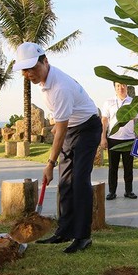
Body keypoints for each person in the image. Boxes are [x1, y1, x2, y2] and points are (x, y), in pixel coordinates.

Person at [15, 43, 102, 254]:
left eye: (33, 67)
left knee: (80, 181)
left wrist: (50, 163)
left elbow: (61, 130)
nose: (29, 73)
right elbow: (61, 125)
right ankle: (64, 231)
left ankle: (83, 237)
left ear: (45, 61)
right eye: (24, 70)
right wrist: (58, 127)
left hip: (88, 128)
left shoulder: (60, 86)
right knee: (65, 183)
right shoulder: (45, 83)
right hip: (72, 127)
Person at [100, 82, 137, 200]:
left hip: (129, 139)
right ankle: (112, 191)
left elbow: (137, 120)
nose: (121, 88)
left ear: (127, 87)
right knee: (113, 167)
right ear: (114, 88)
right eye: (118, 86)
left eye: (123, 85)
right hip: (113, 139)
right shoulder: (108, 102)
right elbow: (105, 121)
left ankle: (129, 190)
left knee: (128, 166)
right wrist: (103, 137)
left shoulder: (133, 102)